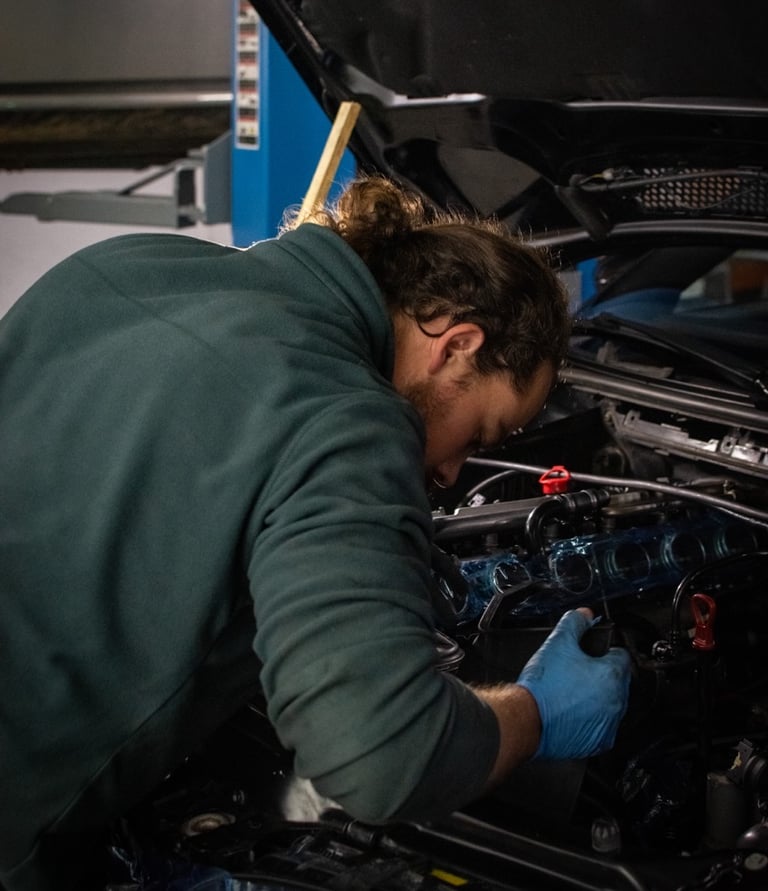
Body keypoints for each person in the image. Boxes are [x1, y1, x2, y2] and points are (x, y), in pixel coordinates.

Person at [0, 175, 631, 890]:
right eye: (481, 433)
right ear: (456, 345)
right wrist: (536, 714)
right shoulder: (345, 421)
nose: (453, 472)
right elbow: (384, 757)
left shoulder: (124, 265)